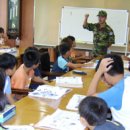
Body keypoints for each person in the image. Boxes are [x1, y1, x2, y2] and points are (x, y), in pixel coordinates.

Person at [87, 54, 130, 130]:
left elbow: (88, 101)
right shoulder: (127, 78)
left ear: (105, 73)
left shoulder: (116, 92)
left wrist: (99, 72)